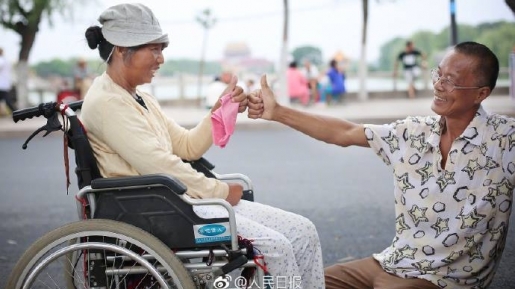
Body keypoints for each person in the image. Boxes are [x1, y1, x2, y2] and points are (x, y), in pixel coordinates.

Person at [80, 3, 324, 288]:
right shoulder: (108, 102)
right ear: (122, 49)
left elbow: (186, 146)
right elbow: (160, 165)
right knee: (276, 247)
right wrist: (219, 191)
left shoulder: (139, 98)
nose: (161, 59)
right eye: (154, 49)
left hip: (180, 201)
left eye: (162, 49)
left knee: (303, 231)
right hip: (157, 209)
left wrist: (221, 107)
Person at [248, 41, 514, 289]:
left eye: (451, 81)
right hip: (392, 261)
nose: (438, 85)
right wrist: (278, 112)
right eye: (438, 74)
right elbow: (344, 133)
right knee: (307, 281)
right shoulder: (414, 133)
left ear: (481, 93)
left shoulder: (504, 141)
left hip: (446, 279)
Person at [0, 47, 17, 114]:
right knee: (7, 100)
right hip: (5, 84)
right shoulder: (6, 60)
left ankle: (16, 113)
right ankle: (16, 112)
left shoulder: (1, 60)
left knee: (7, 101)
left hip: (1, 84)